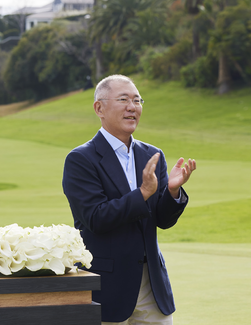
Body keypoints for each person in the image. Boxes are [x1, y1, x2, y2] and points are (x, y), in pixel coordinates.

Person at [62, 74, 196, 325]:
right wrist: (143, 193)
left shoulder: (153, 154)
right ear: (99, 108)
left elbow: (163, 220)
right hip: (106, 287)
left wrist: (172, 192)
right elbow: (96, 218)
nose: (132, 107)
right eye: (123, 99)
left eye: (137, 100)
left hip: (151, 285)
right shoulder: (81, 159)